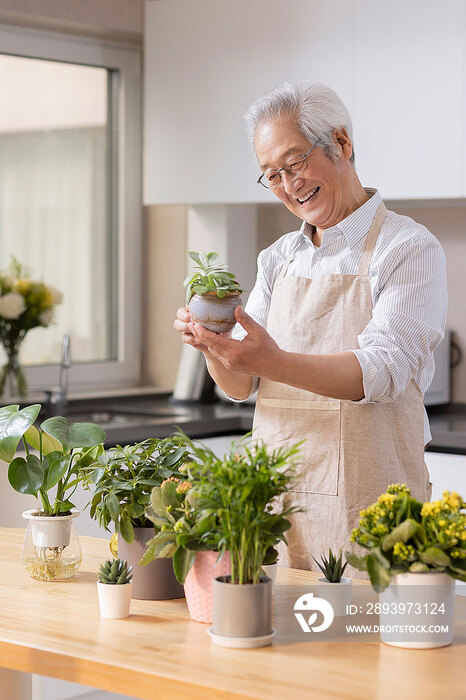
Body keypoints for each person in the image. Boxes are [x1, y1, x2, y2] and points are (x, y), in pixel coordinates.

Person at [174, 82, 447, 573]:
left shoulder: (407, 248)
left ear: (340, 143)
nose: (288, 184)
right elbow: (240, 386)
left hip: (371, 501)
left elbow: (380, 372)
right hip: (278, 503)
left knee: (364, 645)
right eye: (271, 175)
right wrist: (212, 345)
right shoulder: (279, 258)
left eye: (295, 163)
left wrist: (268, 360)